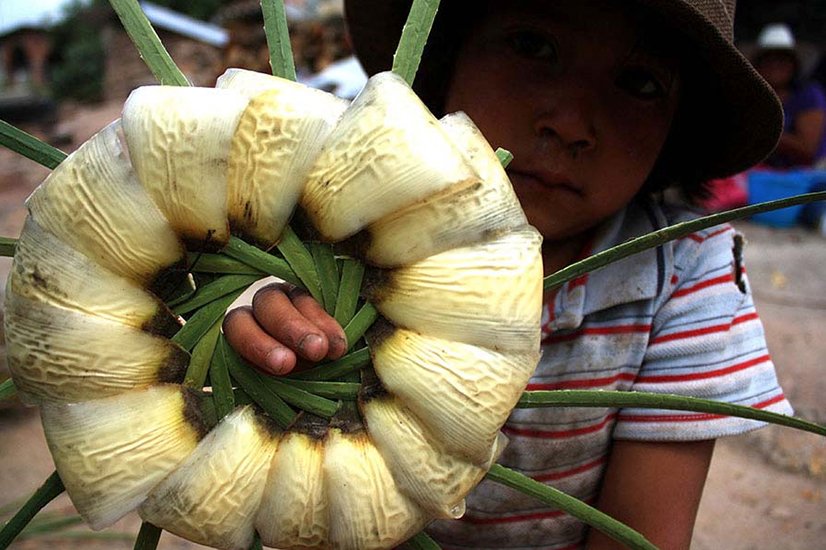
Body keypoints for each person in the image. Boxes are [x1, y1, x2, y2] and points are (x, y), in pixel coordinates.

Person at [223, 0, 793, 548]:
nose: (571, 123)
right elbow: (317, 509)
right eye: (533, 46)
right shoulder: (347, 223)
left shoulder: (685, 272)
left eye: (641, 83)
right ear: (444, 57)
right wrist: (289, 374)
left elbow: (640, 537)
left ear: (677, 129)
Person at [753, 23, 826, 169]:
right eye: (769, 59)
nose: (774, 65)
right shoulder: (751, 96)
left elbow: (807, 149)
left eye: (782, 59)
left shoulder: (808, 94)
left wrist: (758, 132)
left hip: (809, 175)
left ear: (793, 64)